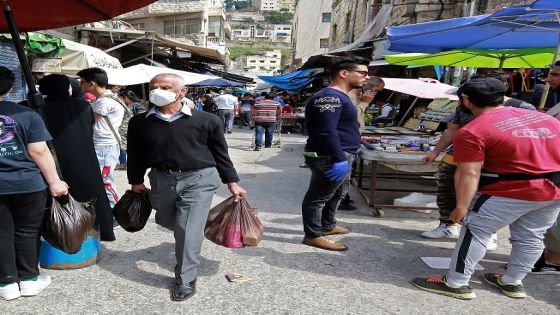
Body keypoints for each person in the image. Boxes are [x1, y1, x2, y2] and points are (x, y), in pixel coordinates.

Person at [412, 78, 560, 300]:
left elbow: (468, 173)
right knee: (531, 236)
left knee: (476, 231)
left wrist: (461, 207)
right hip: (553, 190)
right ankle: (512, 281)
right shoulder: (545, 119)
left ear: (466, 101)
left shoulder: (473, 130)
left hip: (508, 190)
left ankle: (456, 283)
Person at [127, 73, 247, 302]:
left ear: (182, 92)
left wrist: (232, 182)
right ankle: (193, 230)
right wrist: (136, 181)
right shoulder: (140, 122)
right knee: (166, 219)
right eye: (153, 87)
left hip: (199, 179)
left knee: (186, 228)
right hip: (161, 179)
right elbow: (136, 154)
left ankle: (185, 278)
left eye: (165, 86)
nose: (157, 90)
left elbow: (221, 153)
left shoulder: (206, 120)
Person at [422, 90, 536, 243]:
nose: (463, 100)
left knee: (484, 196)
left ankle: (488, 233)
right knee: (447, 189)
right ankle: (448, 225)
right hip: (458, 153)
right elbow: (452, 129)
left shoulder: (517, 107)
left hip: (492, 159)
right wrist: (435, 152)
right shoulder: (463, 107)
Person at [0, 67, 69, 300]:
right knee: (27, 231)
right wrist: (55, 182)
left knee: (1, 233)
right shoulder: (27, 114)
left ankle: (7, 284)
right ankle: (29, 280)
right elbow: (39, 151)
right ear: (10, 88)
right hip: (27, 184)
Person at [301, 55, 369, 251]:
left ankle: (327, 225)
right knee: (318, 196)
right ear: (344, 73)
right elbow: (326, 131)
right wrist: (339, 159)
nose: (366, 77)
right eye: (362, 72)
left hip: (342, 153)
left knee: (337, 192)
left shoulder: (340, 97)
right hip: (330, 155)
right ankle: (312, 235)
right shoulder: (329, 97)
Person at [39, 74, 116, 242]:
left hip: (53, 159)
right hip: (84, 157)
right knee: (91, 194)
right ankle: (101, 230)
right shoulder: (82, 106)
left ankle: (62, 235)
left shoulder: (37, 108)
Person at [77, 67, 126, 213]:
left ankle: (115, 213)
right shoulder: (110, 98)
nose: (80, 86)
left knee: (105, 181)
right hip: (105, 145)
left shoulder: (104, 102)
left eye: (82, 82)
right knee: (101, 180)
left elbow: (87, 121)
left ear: (91, 84)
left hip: (104, 147)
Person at [339, 76, 384, 211]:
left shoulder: (358, 97)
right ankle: (340, 200)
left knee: (349, 171)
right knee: (345, 172)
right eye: (375, 90)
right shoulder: (350, 97)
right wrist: (364, 104)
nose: (375, 94)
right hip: (346, 140)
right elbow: (353, 118)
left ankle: (343, 197)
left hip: (353, 138)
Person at [116, 90, 146, 170]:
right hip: (124, 131)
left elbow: (142, 115)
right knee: (124, 147)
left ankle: (136, 163)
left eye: (121, 98)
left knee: (132, 147)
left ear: (125, 98)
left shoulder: (136, 105)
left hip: (131, 130)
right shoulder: (127, 106)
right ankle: (125, 163)